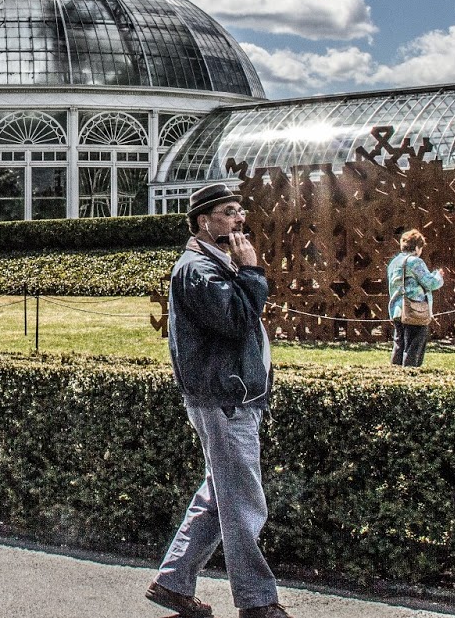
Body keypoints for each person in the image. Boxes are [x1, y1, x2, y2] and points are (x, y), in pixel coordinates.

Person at [147, 183, 292, 618]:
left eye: (239, 211)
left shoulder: (212, 262)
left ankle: (173, 583)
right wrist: (252, 272)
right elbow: (234, 320)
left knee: (220, 494)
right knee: (244, 501)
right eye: (229, 212)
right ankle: (256, 601)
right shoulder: (198, 269)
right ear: (203, 222)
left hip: (230, 396)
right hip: (224, 399)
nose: (239, 219)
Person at [387, 229, 443, 367]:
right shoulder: (415, 262)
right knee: (414, 347)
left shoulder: (394, 262)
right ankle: (410, 377)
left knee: (399, 346)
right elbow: (430, 283)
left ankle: (394, 376)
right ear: (417, 247)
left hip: (397, 310)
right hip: (414, 310)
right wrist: (439, 275)